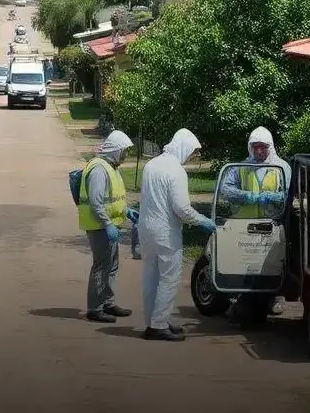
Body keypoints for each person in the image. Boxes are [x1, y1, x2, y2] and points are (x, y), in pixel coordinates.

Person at [139, 128, 217, 341]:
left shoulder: (151, 165)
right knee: (168, 278)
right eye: (192, 152)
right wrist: (202, 221)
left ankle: (153, 321)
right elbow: (181, 208)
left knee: (150, 276)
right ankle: (159, 325)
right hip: (165, 232)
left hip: (146, 229)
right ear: (184, 148)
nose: (192, 157)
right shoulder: (176, 171)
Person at [219, 127, 292, 317]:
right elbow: (226, 190)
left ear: (271, 147)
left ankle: (273, 299)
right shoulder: (240, 167)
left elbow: (290, 195)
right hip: (245, 225)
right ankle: (238, 301)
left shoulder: (282, 167)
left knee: (272, 265)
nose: (259, 151)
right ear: (250, 147)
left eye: (263, 147)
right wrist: (249, 196)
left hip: (272, 225)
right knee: (244, 264)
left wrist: (272, 197)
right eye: (256, 147)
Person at [78, 131, 135, 323]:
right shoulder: (99, 169)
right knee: (101, 266)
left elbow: (113, 198)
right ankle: (95, 308)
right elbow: (96, 202)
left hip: (109, 225)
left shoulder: (111, 167)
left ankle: (108, 302)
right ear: (114, 150)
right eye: (123, 151)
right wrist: (108, 224)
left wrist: (127, 211)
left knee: (112, 266)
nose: (125, 156)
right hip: (100, 226)